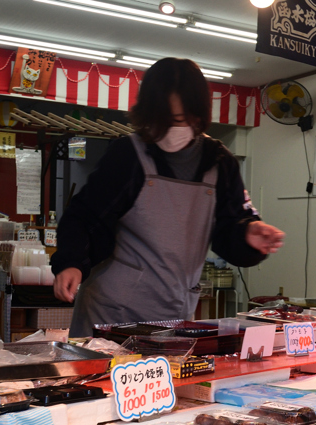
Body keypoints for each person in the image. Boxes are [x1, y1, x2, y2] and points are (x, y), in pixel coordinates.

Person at [51, 58, 284, 336]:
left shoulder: (220, 162)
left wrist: (247, 233)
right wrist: (71, 262)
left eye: (184, 120)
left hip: (175, 309)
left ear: (199, 114)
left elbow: (230, 229)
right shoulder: (128, 155)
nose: (175, 129)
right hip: (111, 311)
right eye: (166, 120)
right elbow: (83, 216)